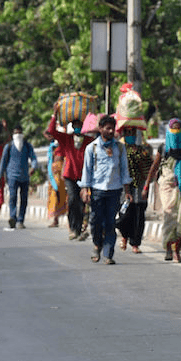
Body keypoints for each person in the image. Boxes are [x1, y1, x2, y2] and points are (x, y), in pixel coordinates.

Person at [142, 118, 181, 263]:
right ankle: (168, 248)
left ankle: (177, 251)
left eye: (178, 129)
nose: (176, 132)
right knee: (169, 214)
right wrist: (146, 187)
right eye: (173, 129)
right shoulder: (163, 148)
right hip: (167, 184)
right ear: (169, 131)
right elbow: (154, 167)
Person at [80, 115, 132, 265]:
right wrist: (85, 189)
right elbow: (87, 170)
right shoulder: (92, 148)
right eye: (107, 128)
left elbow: (124, 170)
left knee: (110, 222)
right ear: (100, 129)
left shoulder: (120, 148)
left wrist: (127, 191)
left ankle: (108, 254)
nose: (110, 131)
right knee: (95, 221)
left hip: (114, 190)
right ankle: (97, 244)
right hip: (97, 190)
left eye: (112, 128)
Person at [47, 104, 95, 240]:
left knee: (82, 203)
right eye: (75, 125)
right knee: (73, 200)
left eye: (80, 124)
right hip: (70, 175)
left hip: (85, 176)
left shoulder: (89, 140)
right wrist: (54, 115)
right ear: (72, 127)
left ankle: (78, 228)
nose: (78, 127)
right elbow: (51, 131)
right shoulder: (66, 139)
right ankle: (73, 228)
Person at [115, 125, 153, 254]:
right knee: (125, 214)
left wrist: (147, 185)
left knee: (138, 215)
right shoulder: (120, 150)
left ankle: (135, 243)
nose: (130, 135)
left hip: (140, 186)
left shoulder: (144, 150)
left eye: (132, 133)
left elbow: (149, 167)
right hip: (124, 186)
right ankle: (125, 235)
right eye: (127, 133)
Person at [0, 125, 38, 230]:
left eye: (20, 133)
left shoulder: (27, 146)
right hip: (12, 176)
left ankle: (21, 220)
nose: (18, 135)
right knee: (13, 197)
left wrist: (34, 167)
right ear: (13, 134)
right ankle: (12, 217)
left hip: (25, 176)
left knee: (24, 199)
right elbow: (3, 162)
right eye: (16, 133)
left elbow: (33, 158)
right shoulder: (9, 146)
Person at [45, 134, 68, 227]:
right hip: (52, 174)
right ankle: (55, 219)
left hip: (60, 174)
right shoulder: (52, 146)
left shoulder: (62, 145)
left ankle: (63, 219)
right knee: (53, 195)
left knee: (60, 195)